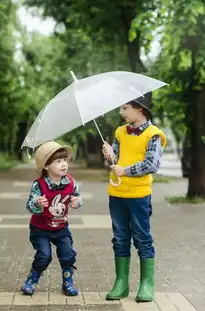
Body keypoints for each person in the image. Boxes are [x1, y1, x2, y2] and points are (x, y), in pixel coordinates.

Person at [102, 96, 166, 302]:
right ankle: (121, 282)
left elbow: (152, 165)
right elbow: (115, 164)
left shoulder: (153, 134)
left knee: (142, 238)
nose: (122, 112)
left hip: (139, 196)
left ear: (140, 109)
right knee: (120, 238)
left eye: (125, 108)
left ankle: (147, 284)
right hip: (117, 194)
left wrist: (125, 170)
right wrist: (110, 156)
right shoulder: (120, 132)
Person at [21, 141, 83, 296]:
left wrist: (76, 202)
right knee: (44, 255)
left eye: (64, 160)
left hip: (61, 227)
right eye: (58, 161)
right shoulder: (39, 185)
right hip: (40, 229)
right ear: (46, 167)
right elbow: (29, 205)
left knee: (68, 253)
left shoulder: (70, 182)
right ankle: (31, 281)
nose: (63, 164)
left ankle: (67, 282)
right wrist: (37, 202)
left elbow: (77, 198)